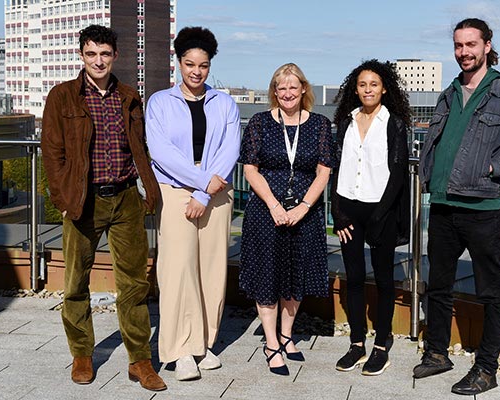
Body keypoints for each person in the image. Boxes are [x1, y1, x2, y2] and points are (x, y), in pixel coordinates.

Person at [415, 18, 500, 396]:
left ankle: (487, 368)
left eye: (471, 44)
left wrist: (491, 167)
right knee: (437, 285)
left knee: (491, 292)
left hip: (481, 208)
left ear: (487, 45)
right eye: (458, 45)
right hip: (441, 205)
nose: (463, 52)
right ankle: (437, 353)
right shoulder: (449, 93)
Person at [41, 24, 166, 392]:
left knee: (133, 284)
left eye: (105, 54)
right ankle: (82, 354)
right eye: (92, 53)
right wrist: (63, 200)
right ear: (81, 55)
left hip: (126, 197)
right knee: (76, 281)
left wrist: (147, 191)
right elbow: (52, 153)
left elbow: (139, 146)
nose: (98, 60)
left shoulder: (128, 96)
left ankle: (140, 360)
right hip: (84, 200)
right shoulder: (63, 96)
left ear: (115, 56)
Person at [145, 26, 241, 381]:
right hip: (174, 190)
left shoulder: (225, 103)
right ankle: (178, 349)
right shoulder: (159, 102)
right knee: (177, 269)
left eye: (202, 65)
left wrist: (204, 193)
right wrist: (200, 184)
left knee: (212, 269)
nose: (196, 71)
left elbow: (230, 148)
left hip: (215, 193)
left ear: (210, 65)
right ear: (178, 63)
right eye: (189, 64)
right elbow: (161, 153)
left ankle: (203, 343)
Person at [239, 63, 337, 376]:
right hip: (267, 213)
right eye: (281, 88)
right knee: (268, 277)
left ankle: (286, 336)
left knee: (295, 276)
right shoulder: (259, 122)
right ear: (274, 92)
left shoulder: (320, 124)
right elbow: (250, 169)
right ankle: (271, 345)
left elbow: (324, 170)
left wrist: (304, 206)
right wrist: (274, 205)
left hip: (305, 214)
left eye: (293, 87)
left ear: (304, 89)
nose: (287, 94)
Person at [330, 60, 410, 376]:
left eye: (373, 84)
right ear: (356, 88)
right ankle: (356, 343)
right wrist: (337, 213)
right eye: (362, 84)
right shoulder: (347, 122)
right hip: (350, 209)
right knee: (354, 277)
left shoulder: (394, 123)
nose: (367, 90)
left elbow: (398, 174)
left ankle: (381, 346)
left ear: (384, 88)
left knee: (384, 279)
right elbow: (338, 170)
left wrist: (380, 216)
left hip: (382, 212)